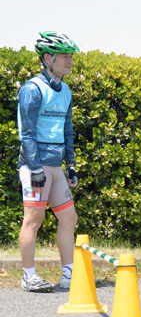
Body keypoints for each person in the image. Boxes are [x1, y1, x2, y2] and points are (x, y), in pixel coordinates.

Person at [17, 31, 80, 292]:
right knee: (34, 219)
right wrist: (34, 169)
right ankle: (28, 276)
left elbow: (67, 131)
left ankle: (69, 275)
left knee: (69, 218)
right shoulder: (32, 89)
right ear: (47, 58)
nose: (70, 61)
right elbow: (27, 133)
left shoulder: (65, 91)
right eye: (65, 56)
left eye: (71, 56)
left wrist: (72, 164)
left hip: (55, 165)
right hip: (36, 165)